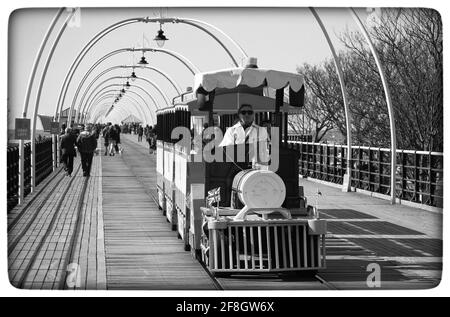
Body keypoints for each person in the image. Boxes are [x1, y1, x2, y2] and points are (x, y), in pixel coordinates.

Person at [219, 104, 269, 168]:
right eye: (243, 112)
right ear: (239, 115)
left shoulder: (262, 131)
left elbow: (264, 151)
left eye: (250, 112)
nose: (247, 115)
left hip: (256, 168)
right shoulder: (231, 130)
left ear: (253, 115)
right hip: (235, 168)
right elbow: (227, 151)